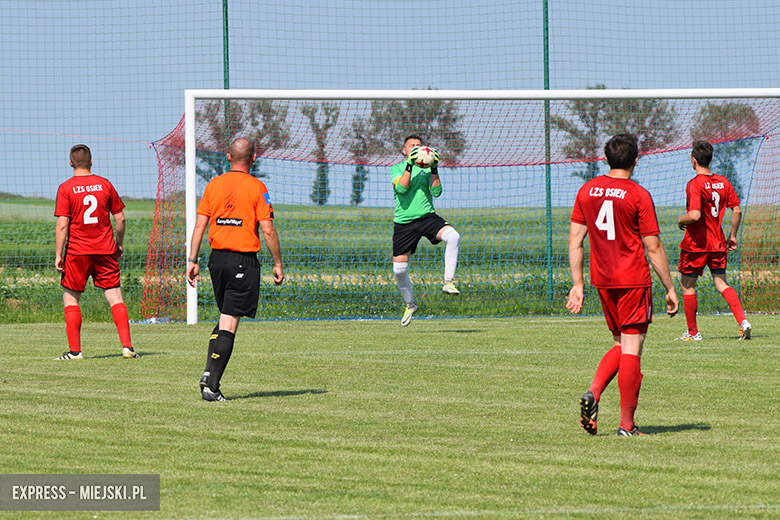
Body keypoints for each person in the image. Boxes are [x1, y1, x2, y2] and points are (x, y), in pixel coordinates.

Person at [567, 133, 679, 437]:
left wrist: (577, 283)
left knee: (621, 343)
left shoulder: (586, 190)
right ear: (636, 160)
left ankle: (593, 393)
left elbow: (576, 240)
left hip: (602, 281)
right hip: (632, 279)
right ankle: (627, 426)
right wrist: (670, 287)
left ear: (606, 158)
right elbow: (653, 247)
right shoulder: (638, 194)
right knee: (633, 347)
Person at [187, 137, 284, 402]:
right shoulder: (257, 187)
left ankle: (208, 372)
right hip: (242, 262)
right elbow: (267, 229)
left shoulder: (214, 185)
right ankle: (212, 388)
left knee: (223, 317)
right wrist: (277, 263)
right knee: (229, 322)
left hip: (216, 261)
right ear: (254, 158)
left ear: (228, 157)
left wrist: (192, 260)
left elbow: (199, 226)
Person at [54, 144, 138, 360]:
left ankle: (75, 352)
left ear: (70, 163)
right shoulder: (105, 184)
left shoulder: (66, 188)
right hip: (105, 250)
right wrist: (119, 243)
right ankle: (127, 347)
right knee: (115, 297)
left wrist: (59, 254)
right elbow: (120, 218)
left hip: (77, 252)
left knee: (71, 299)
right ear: (91, 161)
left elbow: (63, 225)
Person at [676, 140, 751, 341]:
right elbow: (737, 209)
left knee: (687, 285)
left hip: (696, 245)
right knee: (721, 283)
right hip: (718, 244)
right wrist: (732, 235)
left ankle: (693, 333)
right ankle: (743, 323)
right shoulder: (723, 182)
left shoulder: (695, 183)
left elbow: (694, 215)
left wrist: (680, 220)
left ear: (693, 160)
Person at [391, 134, 461, 326]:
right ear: (405, 151)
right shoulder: (396, 169)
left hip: (427, 217)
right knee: (399, 270)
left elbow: (437, 192)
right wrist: (410, 164)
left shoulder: (428, 171)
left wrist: (434, 168)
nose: (417, 148)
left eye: (419, 145)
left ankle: (448, 282)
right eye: (412, 146)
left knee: (453, 236)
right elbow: (402, 190)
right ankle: (410, 304)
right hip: (404, 223)